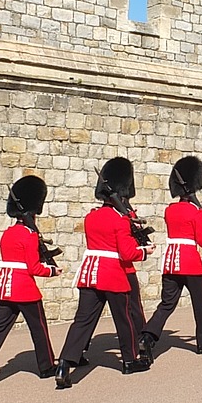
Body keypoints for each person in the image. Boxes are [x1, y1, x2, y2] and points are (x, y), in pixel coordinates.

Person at [55, 157, 155, 389]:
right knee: (125, 320)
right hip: (113, 275)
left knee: (82, 321)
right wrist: (145, 251)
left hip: (90, 273)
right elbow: (127, 253)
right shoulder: (119, 220)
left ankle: (64, 363)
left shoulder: (91, 216)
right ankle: (130, 361)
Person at [0, 175, 61, 392]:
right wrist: (52, 270)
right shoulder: (30, 235)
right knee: (39, 328)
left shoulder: (7, 233)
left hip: (3, 288)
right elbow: (34, 268)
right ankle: (46, 366)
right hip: (24, 289)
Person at [140, 155, 202, 358]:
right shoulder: (195, 211)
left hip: (171, 263)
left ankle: (147, 337)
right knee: (200, 304)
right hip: (190, 263)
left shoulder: (170, 210)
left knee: (166, 304)